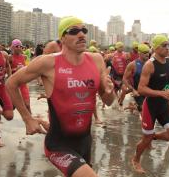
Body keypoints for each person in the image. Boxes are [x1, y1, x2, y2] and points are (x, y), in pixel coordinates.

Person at [6, 16, 115, 177]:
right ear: (62, 38)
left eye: (84, 30)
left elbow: (109, 101)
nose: (81, 35)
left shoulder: (96, 60)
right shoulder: (48, 63)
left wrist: (108, 91)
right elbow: (11, 83)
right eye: (74, 31)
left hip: (85, 142)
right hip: (58, 145)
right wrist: (27, 118)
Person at [132, 34, 169, 174]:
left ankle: (153, 136)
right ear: (156, 47)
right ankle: (136, 159)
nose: (167, 48)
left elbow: (168, 82)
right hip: (151, 106)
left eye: (168, 45)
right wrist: (161, 93)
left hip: (164, 105)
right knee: (145, 139)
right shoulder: (150, 65)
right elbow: (141, 89)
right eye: (164, 45)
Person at [122, 44, 150, 113]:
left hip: (149, 92)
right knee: (144, 110)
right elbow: (124, 79)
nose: (147, 54)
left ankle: (133, 106)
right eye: (145, 52)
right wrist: (132, 90)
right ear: (139, 53)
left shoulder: (151, 63)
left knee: (151, 110)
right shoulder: (132, 64)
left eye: (148, 52)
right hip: (138, 92)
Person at [9, 39, 30, 113]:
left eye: (20, 46)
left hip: (23, 84)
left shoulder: (24, 57)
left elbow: (27, 69)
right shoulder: (10, 58)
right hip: (14, 85)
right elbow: (6, 72)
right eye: (17, 46)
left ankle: (31, 122)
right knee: (11, 108)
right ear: (13, 47)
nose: (19, 48)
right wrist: (15, 69)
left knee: (27, 106)